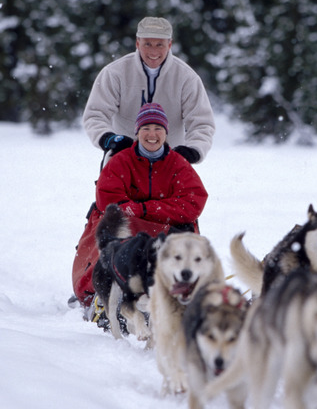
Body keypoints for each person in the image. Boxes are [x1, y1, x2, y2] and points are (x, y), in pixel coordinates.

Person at [71, 103, 208, 305]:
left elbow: (192, 202)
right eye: (146, 128)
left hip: (165, 229)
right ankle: (101, 291)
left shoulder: (178, 164)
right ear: (137, 132)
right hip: (130, 229)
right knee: (113, 228)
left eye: (158, 129)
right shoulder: (120, 161)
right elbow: (110, 201)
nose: (152, 134)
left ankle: (179, 291)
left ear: (166, 133)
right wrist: (151, 212)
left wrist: (143, 209)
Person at [82, 16, 215, 166]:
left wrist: (193, 150)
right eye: (147, 44)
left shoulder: (187, 78)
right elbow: (95, 115)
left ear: (169, 44)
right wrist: (108, 139)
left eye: (159, 44)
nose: (153, 51)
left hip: (170, 164)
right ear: (137, 43)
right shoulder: (114, 73)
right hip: (123, 160)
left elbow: (202, 123)